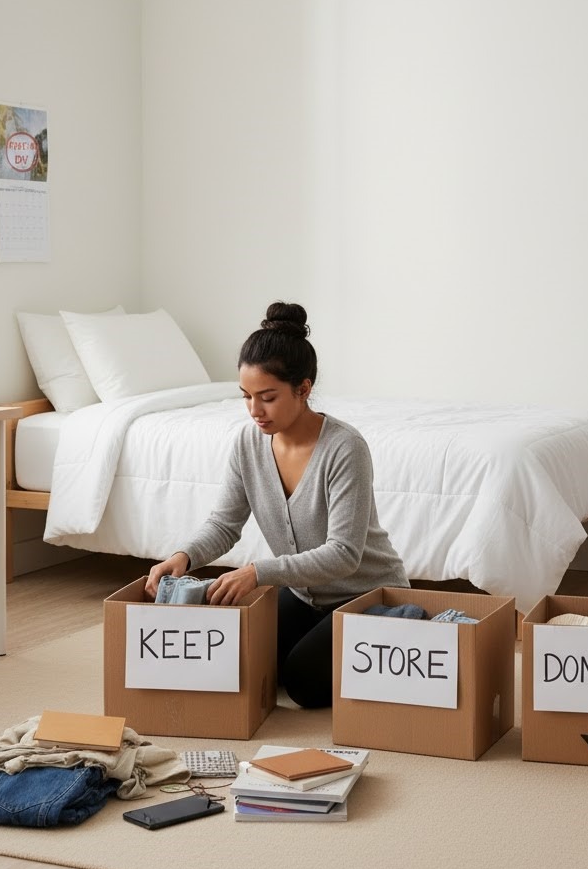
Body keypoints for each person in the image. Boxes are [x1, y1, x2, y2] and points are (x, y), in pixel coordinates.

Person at [145, 301, 409, 708]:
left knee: (301, 683)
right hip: (305, 596)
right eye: (246, 396)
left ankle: (400, 628)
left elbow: (344, 555)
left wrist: (257, 572)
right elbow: (225, 523)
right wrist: (184, 556)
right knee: (237, 658)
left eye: (267, 397)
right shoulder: (248, 443)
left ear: (303, 389)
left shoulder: (345, 448)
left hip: (365, 592)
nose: (254, 410)